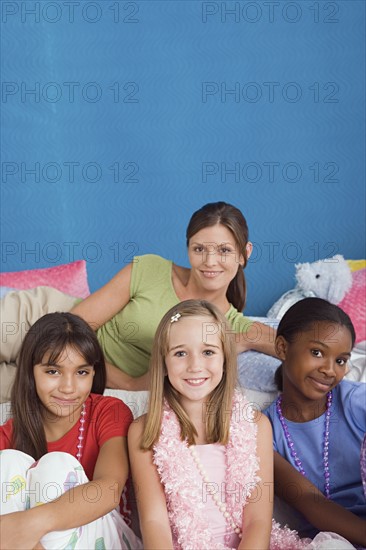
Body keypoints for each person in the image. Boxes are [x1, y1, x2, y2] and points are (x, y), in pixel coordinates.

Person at [0, 201, 276, 400]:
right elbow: (73, 327)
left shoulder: (231, 325)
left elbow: (298, 347)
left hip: (71, 371)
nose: (210, 262)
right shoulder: (152, 268)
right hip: (48, 319)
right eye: (199, 249)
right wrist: (128, 382)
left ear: (244, 253)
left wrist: (241, 342)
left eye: (224, 251)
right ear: (188, 248)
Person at [128, 299, 274, 549]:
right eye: (180, 353)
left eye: (208, 352)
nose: (195, 366)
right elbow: (154, 522)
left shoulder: (256, 426)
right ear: (163, 363)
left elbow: (258, 521)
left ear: (225, 359)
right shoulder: (144, 432)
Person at [0, 312, 142, 550]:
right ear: (30, 372)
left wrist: (30, 523)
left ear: (94, 373)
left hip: (108, 538)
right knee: (7, 462)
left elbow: (109, 489)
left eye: (81, 372)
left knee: (57, 467)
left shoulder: (108, 412)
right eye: (53, 371)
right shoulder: (9, 433)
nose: (68, 387)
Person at [264, 297, 366, 548]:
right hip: (330, 540)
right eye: (317, 352)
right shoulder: (264, 430)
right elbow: (308, 499)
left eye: (341, 360)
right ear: (282, 347)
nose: (330, 370)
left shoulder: (354, 401)